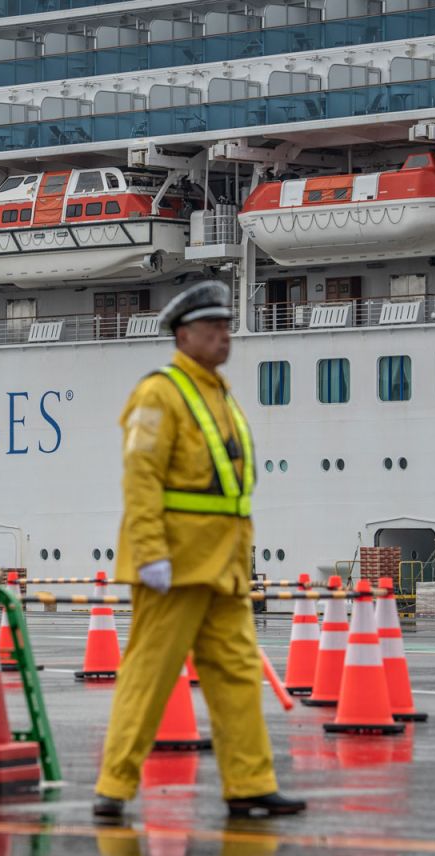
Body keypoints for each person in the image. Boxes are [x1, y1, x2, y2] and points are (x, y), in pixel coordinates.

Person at [93, 280, 305, 821]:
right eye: (212, 328)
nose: (223, 335)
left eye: (226, 326)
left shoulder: (217, 391)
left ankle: (250, 784)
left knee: (235, 673)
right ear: (183, 335)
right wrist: (150, 553)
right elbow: (141, 477)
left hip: (224, 565)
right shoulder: (159, 393)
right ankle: (114, 787)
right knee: (150, 675)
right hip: (177, 565)